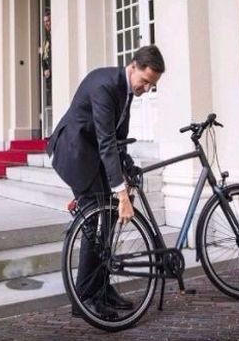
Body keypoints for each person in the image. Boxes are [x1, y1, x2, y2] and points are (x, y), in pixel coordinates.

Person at [46, 45, 165, 318]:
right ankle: (84, 300)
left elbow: (118, 139)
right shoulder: (105, 86)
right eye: (145, 81)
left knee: (108, 217)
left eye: (152, 85)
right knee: (93, 220)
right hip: (74, 152)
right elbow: (107, 141)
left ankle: (101, 287)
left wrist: (128, 170)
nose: (147, 88)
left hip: (93, 154)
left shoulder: (127, 90)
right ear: (133, 66)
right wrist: (122, 195)